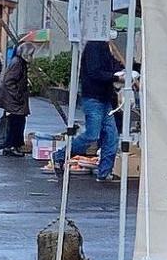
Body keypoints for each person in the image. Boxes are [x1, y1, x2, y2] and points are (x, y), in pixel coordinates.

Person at [48, 38, 121, 180]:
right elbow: (95, 72)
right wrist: (116, 77)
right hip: (93, 97)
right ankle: (60, 155)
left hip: (104, 98)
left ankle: (104, 172)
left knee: (112, 136)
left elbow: (113, 65)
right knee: (93, 135)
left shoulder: (103, 46)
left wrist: (126, 70)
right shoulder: (95, 45)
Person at [0, 34, 37, 155]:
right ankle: (12, 146)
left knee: (18, 121)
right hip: (13, 99)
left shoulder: (18, 62)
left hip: (14, 99)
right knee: (15, 122)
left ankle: (14, 145)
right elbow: (9, 81)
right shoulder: (18, 63)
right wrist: (17, 95)